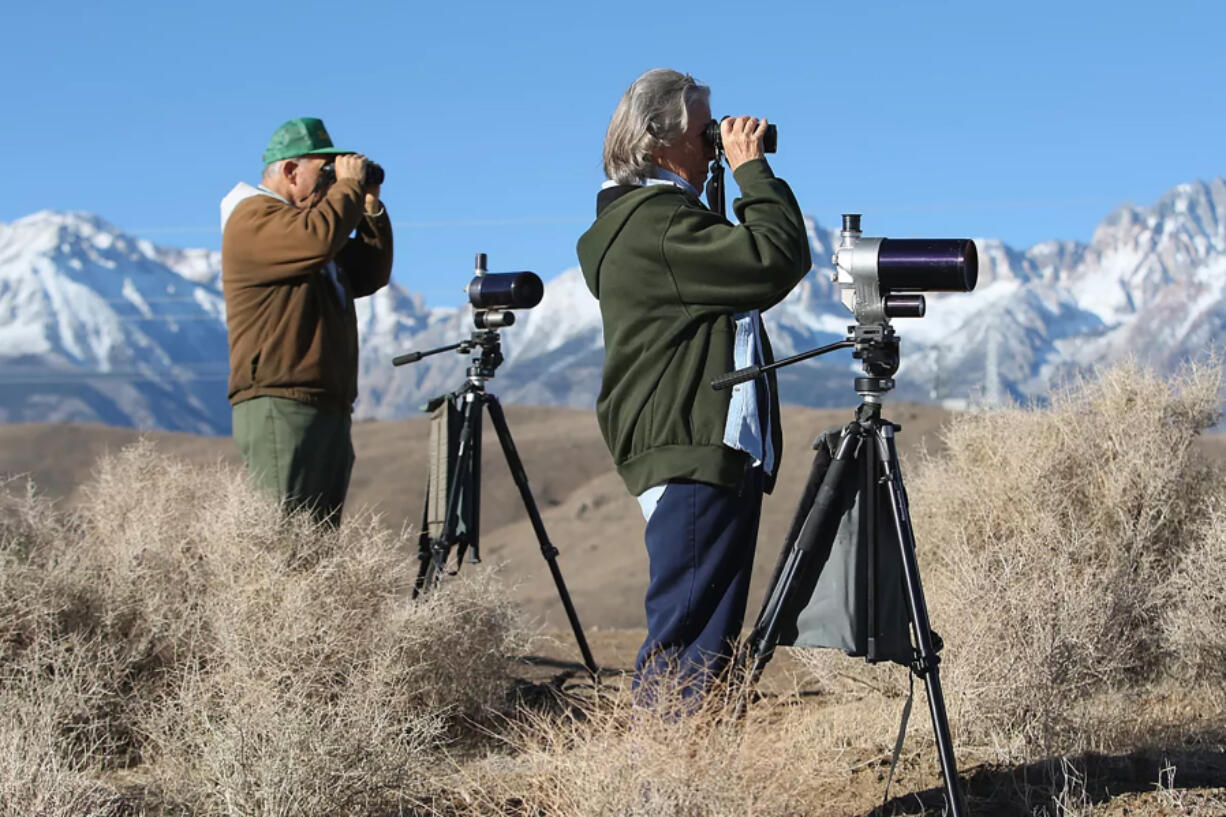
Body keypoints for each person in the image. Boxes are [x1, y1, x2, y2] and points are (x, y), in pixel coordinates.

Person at [577, 69, 811, 699]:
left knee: (700, 646)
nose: (718, 139)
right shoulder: (655, 228)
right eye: (706, 130)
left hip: (691, 447)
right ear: (658, 138)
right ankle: (666, 783)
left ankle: (681, 774)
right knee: (688, 651)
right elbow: (774, 259)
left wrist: (712, 177)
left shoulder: (657, 224)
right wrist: (750, 171)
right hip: (692, 447)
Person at [219, 117, 392, 525]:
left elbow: (370, 272)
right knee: (281, 539)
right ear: (290, 170)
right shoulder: (253, 218)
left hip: (325, 403)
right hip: (281, 403)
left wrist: (369, 205)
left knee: (316, 548)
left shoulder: (307, 230)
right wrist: (347, 188)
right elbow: (316, 239)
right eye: (324, 171)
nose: (333, 181)